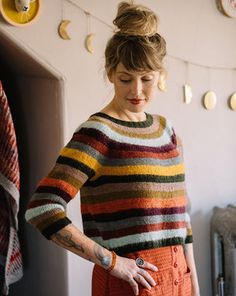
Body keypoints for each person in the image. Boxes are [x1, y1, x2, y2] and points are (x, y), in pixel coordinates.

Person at [25, 1, 200, 295]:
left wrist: (194, 282)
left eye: (146, 79)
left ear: (160, 74)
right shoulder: (98, 133)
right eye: (125, 79)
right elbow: (42, 209)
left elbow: (181, 217)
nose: (136, 90)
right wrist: (112, 262)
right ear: (109, 73)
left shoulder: (166, 131)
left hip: (179, 277)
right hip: (131, 283)